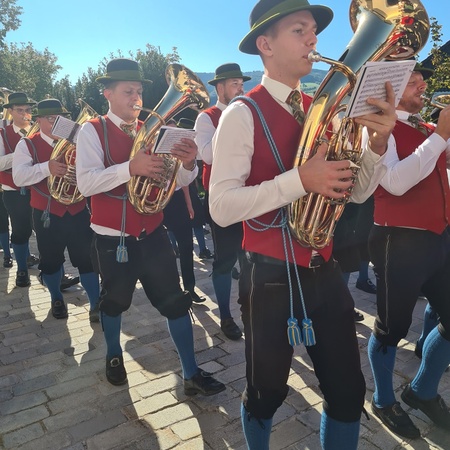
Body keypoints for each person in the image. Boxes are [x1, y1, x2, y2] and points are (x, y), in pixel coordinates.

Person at [208, 1, 397, 448]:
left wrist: (377, 144)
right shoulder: (242, 112)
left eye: (314, 30)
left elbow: (357, 192)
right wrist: (299, 180)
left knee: (348, 393)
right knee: (266, 394)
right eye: (299, 30)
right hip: (268, 277)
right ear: (265, 44)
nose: (313, 39)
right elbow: (220, 207)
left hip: (324, 270)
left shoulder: (325, 109)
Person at [75, 58, 225, 395]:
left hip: (154, 233)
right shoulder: (92, 130)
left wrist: (188, 163)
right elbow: (85, 183)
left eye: (139, 91)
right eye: (128, 91)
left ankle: (190, 372)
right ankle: (114, 354)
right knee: (114, 302)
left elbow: (178, 180)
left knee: (175, 302)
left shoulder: (154, 128)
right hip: (113, 238)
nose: (136, 97)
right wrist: (131, 167)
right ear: (108, 93)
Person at [367, 64, 450, 438]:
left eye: (422, 80)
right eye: (412, 82)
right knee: (390, 329)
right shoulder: (378, 128)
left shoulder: (427, 128)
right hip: (397, 241)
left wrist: (441, 139)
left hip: (439, 237)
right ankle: (383, 400)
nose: (423, 86)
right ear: (390, 92)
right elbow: (395, 183)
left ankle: (422, 391)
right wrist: (441, 136)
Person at [12, 98, 100, 322]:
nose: (56, 123)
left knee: (88, 259)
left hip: (78, 210)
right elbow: (19, 177)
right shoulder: (27, 144)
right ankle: (56, 299)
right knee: (51, 261)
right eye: (50, 118)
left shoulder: (77, 141)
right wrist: (47, 168)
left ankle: (95, 303)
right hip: (47, 214)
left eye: (60, 118)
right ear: (39, 120)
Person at [194, 62, 251, 340]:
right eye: (234, 85)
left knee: (249, 257)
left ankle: (250, 308)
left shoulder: (248, 113)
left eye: (241, 84)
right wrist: (229, 118)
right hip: (221, 198)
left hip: (248, 195)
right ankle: (226, 316)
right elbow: (207, 155)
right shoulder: (206, 118)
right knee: (225, 260)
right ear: (219, 87)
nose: (241, 89)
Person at [0, 92, 40, 285]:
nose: (25, 114)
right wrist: (20, 152)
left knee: (45, 231)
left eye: (28, 110)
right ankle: (22, 270)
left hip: (39, 189)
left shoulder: (38, 131)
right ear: (10, 111)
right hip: (15, 192)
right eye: (20, 110)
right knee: (20, 230)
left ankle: (51, 270)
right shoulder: (2, 134)